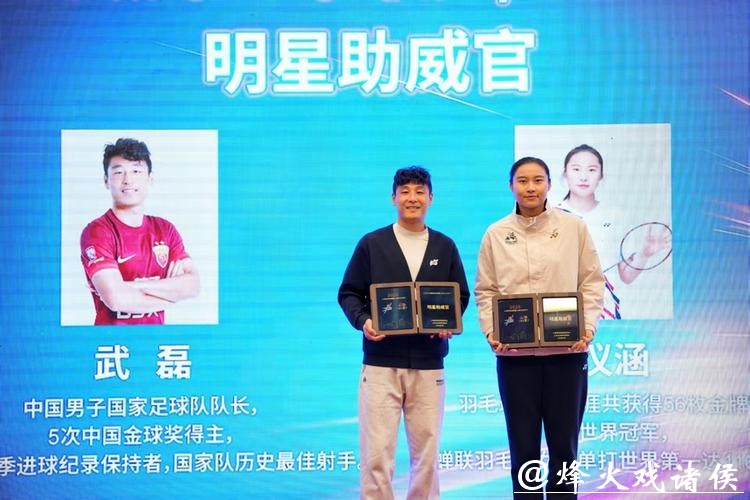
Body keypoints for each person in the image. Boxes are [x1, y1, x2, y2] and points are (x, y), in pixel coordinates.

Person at [475, 157, 604, 498]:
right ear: (511, 186)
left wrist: (587, 328)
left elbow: (591, 282)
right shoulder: (496, 233)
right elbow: (486, 290)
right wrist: (492, 332)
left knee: (565, 449)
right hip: (515, 359)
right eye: (522, 181)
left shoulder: (573, 228)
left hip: (567, 354)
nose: (530, 188)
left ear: (549, 184)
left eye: (537, 180)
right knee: (523, 450)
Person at [338, 166, 470, 499]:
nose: (413, 198)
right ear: (393, 198)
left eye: (419, 191)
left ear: (431, 198)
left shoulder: (444, 246)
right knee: (376, 455)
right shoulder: (372, 243)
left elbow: (460, 295)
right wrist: (364, 321)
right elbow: (349, 293)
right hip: (380, 364)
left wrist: (448, 322)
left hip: (428, 364)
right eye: (405, 191)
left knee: (427, 455)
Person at [80, 138, 200, 325]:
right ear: (106, 181)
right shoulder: (98, 232)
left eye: (136, 171)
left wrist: (132, 286)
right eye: (118, 172)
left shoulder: (165, 230)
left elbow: (193, 285)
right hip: (112, 339)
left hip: (157, 339)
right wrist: (171, 295)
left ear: (150, 178)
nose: (128, 180)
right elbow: (116, 299)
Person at [557, 144, 671, 319]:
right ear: (565, 173)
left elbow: (626, 276)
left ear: (601, 175)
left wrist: (644, 254)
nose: (584, 176)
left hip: (604, 314)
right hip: (560, 310)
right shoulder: (551, 216)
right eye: (576, 169)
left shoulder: (616, 217)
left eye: (592, 170)